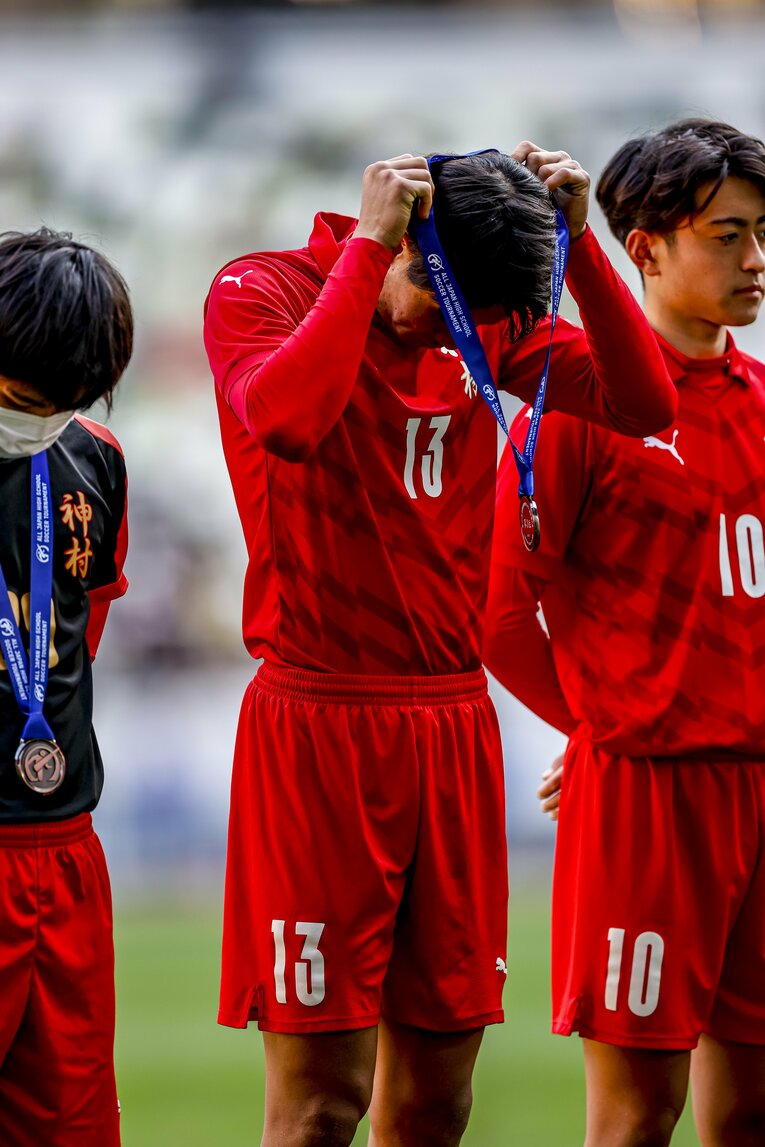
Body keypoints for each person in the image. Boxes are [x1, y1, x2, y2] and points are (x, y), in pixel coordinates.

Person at [203, 144, 676, 1147]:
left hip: (454, 726)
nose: (442, 327)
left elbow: (647, 405)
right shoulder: (261, 291)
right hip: (318, 721)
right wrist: (372, 253)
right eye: (431, 292)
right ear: (404, 236)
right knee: (322, 1102)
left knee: (435, 1105)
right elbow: (286, 422)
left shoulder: (486, 308)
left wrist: (582, 248)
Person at [485, 118, 765, 1147]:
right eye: (727, 235)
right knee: (638, 1117)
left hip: (759, 787)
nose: (756, 259)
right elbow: (502, 615)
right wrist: (597, 722)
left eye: (761, 232)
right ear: (644, 246)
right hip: (648, 799)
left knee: (751, 1114)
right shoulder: (576, 411)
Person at [0, 228, 133, 1146]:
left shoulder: (95, 459)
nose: (40, 417)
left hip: (62, 852)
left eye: (65, 402)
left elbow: (87, 628)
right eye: (20, 399)